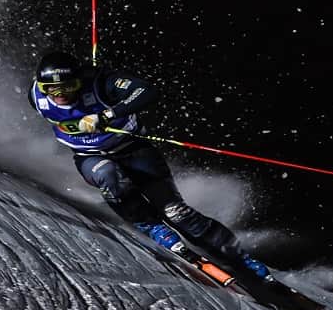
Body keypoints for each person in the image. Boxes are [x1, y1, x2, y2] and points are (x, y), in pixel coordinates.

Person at [28, 49, 273, 280]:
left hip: (133, 149)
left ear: (80, 79)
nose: (59, 94)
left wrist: (106, 115)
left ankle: (237, 257)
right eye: (50, 88)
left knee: (176, 212)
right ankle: (151, 226)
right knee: (108, 175)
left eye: (68, 86)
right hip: (90, 156)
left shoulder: (101, 84)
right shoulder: (36, 97)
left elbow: (146, 91)